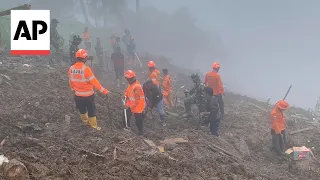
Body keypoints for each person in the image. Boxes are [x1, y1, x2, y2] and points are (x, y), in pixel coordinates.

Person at [68, 49, 109, 130]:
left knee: (82, 110)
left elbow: (71, 81)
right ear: (85, 58)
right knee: (91, 110)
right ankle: (93, 126)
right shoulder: (86, 69)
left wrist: (73, 90)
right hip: (88, 95)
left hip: (78, 95)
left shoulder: (71, 68)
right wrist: (104, 91)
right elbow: (95, 82)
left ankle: (85, 122)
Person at [123, 70, 146, 135]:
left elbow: (137, 100)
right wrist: (125, 95)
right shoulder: (130, 84)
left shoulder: (137, 87)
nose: (127, 80)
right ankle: (127, 127)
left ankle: (140, 133)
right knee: (125, 116)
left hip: (138, 106)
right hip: (131, 104)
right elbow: (128, 91)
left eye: (127, 79)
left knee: (138, 121)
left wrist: (129, 106)